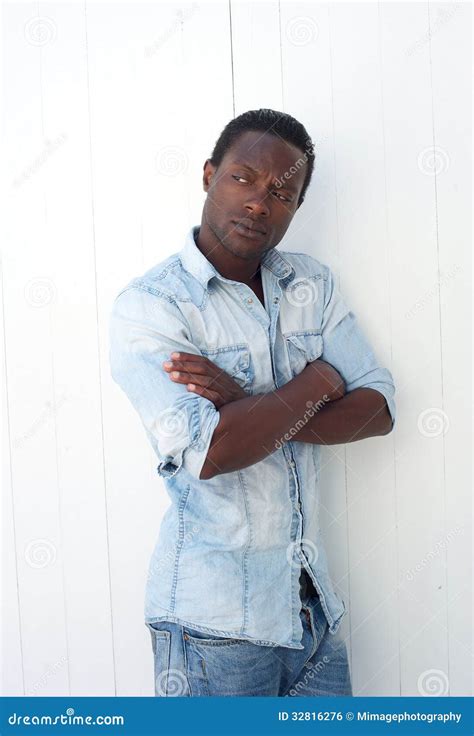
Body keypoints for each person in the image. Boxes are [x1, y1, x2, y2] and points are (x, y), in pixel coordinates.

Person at [109, 108, 396, 697]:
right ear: (210, 174)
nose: (261, 202)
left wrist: (248, 403)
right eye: (244, 178)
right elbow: (213, 451)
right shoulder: (153, 307)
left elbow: (377, 411)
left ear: (294, 209)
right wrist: (316, 384)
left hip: (310, 613)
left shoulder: (310, 284)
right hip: (213, 625)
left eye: (282, 192)